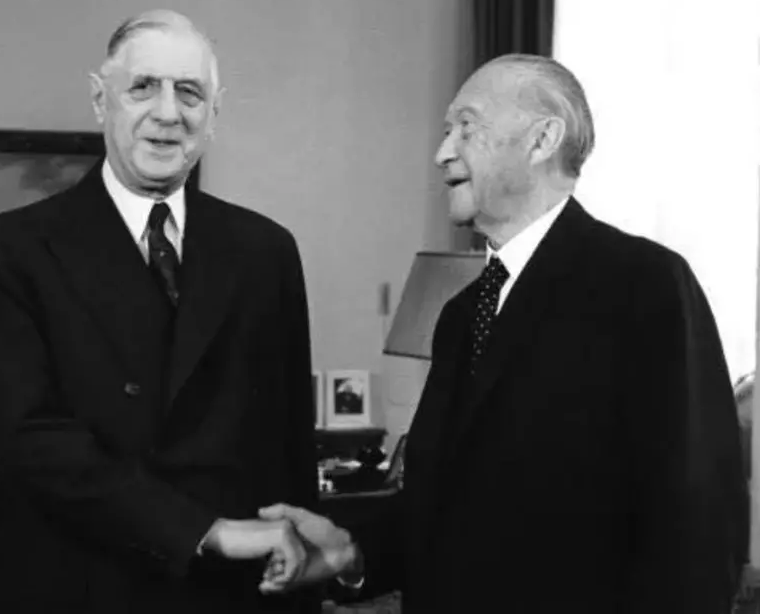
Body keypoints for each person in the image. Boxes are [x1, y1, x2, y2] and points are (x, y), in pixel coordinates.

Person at [259, 54, 748, 613]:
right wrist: (351, 551)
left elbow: (698, 524)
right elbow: (442, 505)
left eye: (465, 126)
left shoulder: (646, 285)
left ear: (542, 139)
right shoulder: (463, 312)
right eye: (446, 131)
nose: (442, 152)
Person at [0, 10, 319, 614]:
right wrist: (205, 531)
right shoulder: (10, 250)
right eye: (143, 87)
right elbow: (33, 442)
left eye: (190, 93)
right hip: (80, 584)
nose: (168, 113)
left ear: (215, 111)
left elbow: (286, 447)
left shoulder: (266, 250)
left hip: (233, 596)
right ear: (101, 101)